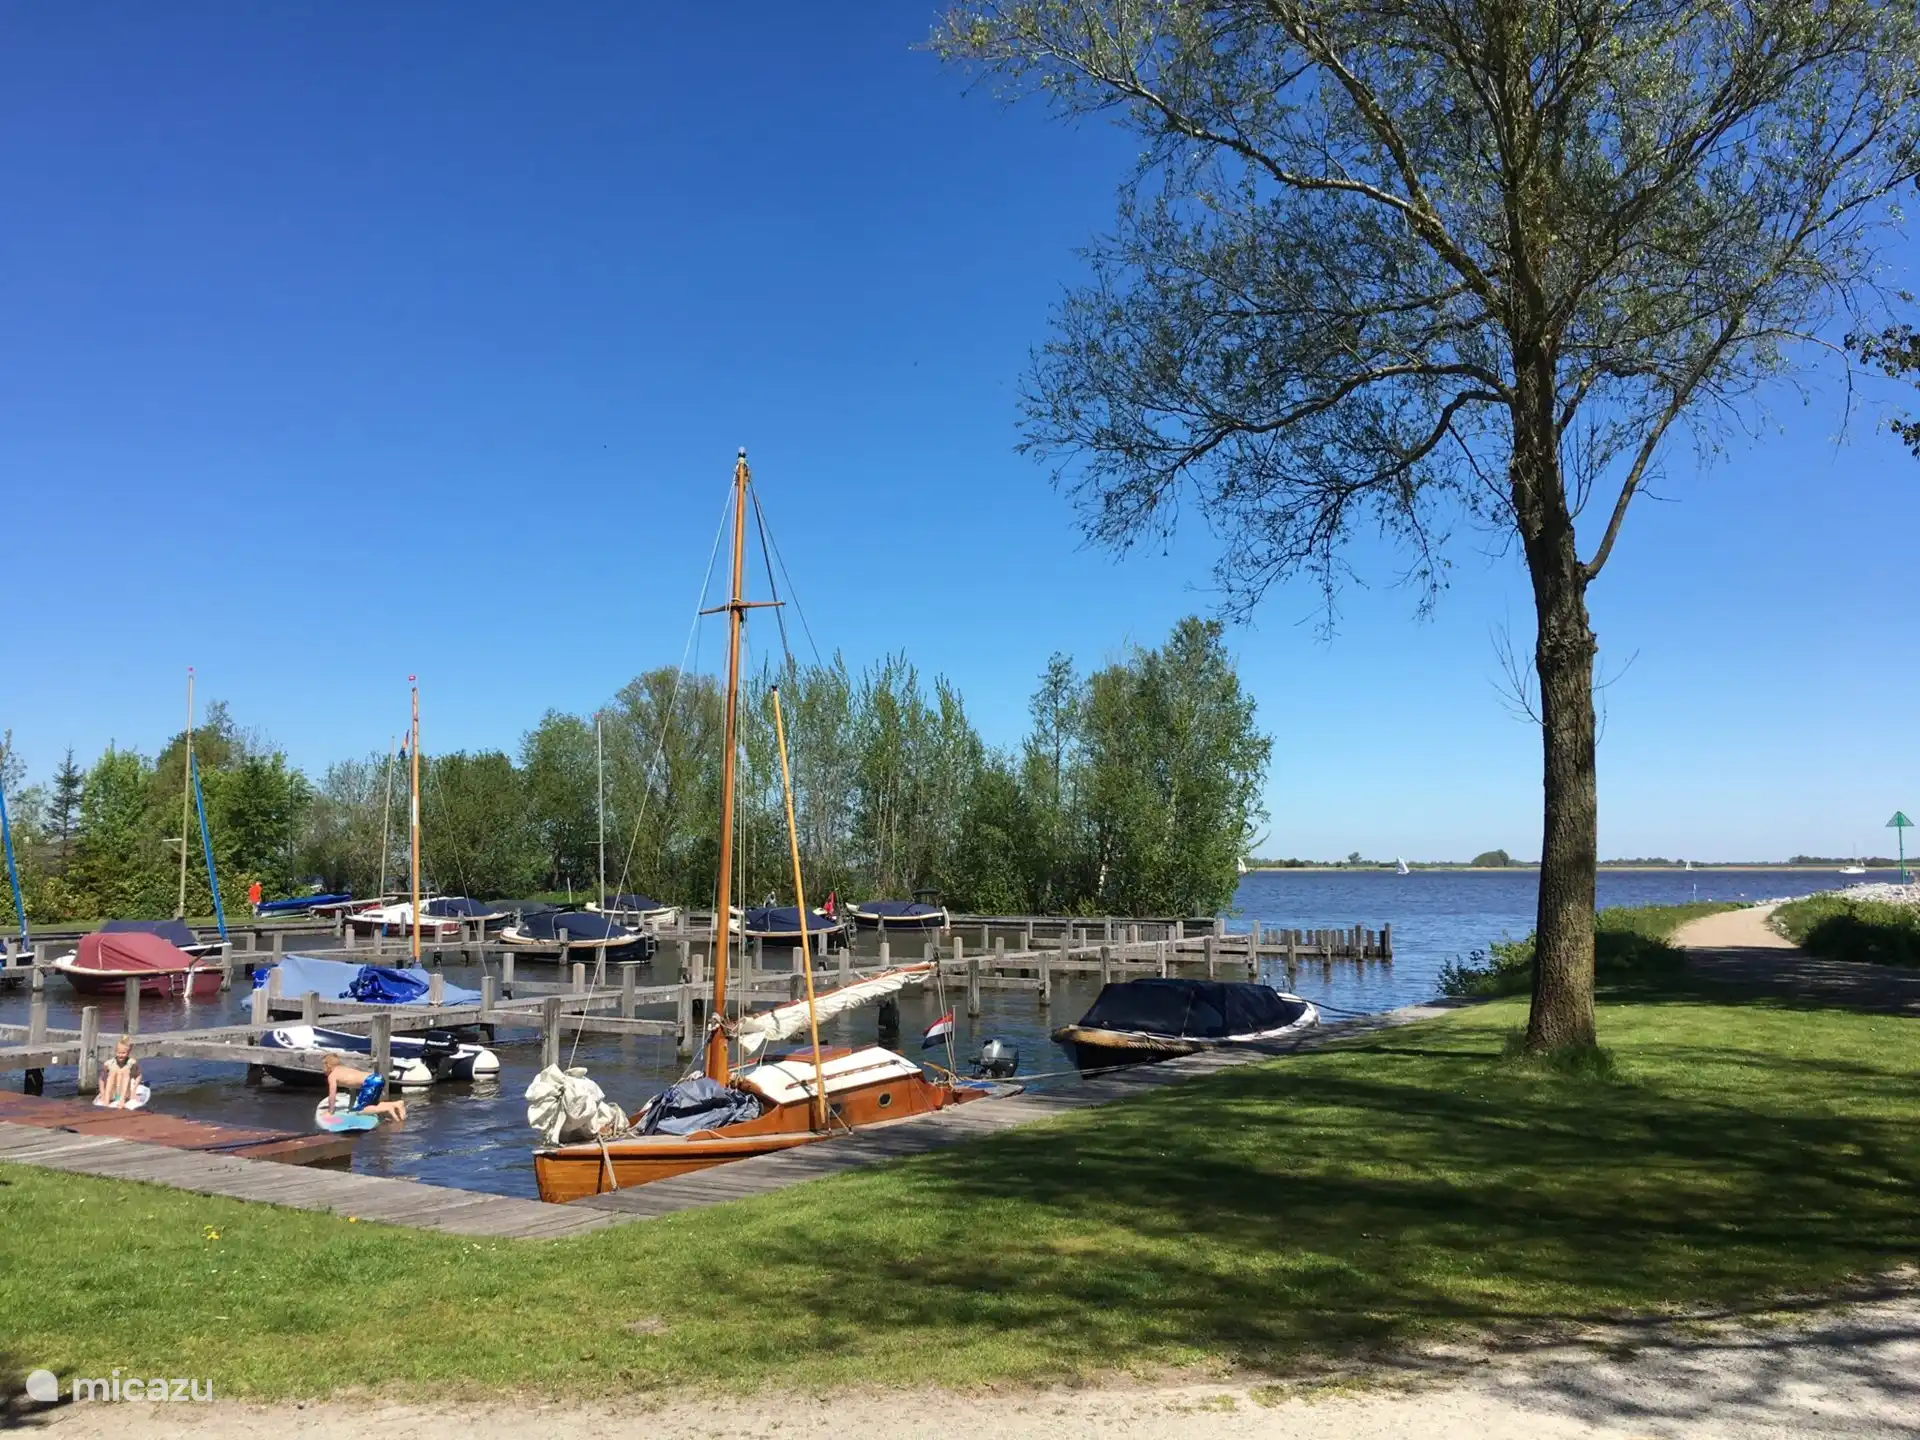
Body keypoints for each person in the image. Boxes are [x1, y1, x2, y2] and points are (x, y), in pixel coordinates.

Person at [321, 1053, 407, 1122]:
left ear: (328, 1065)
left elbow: (332, 1094)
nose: (323, 1069)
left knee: (361, 1111)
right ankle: (396, 1104)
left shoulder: (332, 1076)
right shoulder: (345, 1069)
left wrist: (330, 1112)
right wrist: (351, 1107)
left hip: (370, 1082)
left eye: (323, 1066)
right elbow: (353, 1090)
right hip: (377, 1078)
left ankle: (389, 1107)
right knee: (373, 1105)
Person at [98, 1036, 142, 1108]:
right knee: (112, 1072)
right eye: (119, 1053)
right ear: (115, 1052)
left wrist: (134, 1091)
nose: (121, 1055)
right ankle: (107, 1099)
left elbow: (138, 1075)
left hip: (125, 1094)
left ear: (128, 1053)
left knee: (125, 1072)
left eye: (123, 1053)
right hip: (113, 1093)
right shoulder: (108, 1063)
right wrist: (102, 1092)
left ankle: (122, 1100)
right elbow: (101, 1079)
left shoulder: (131, 1063)